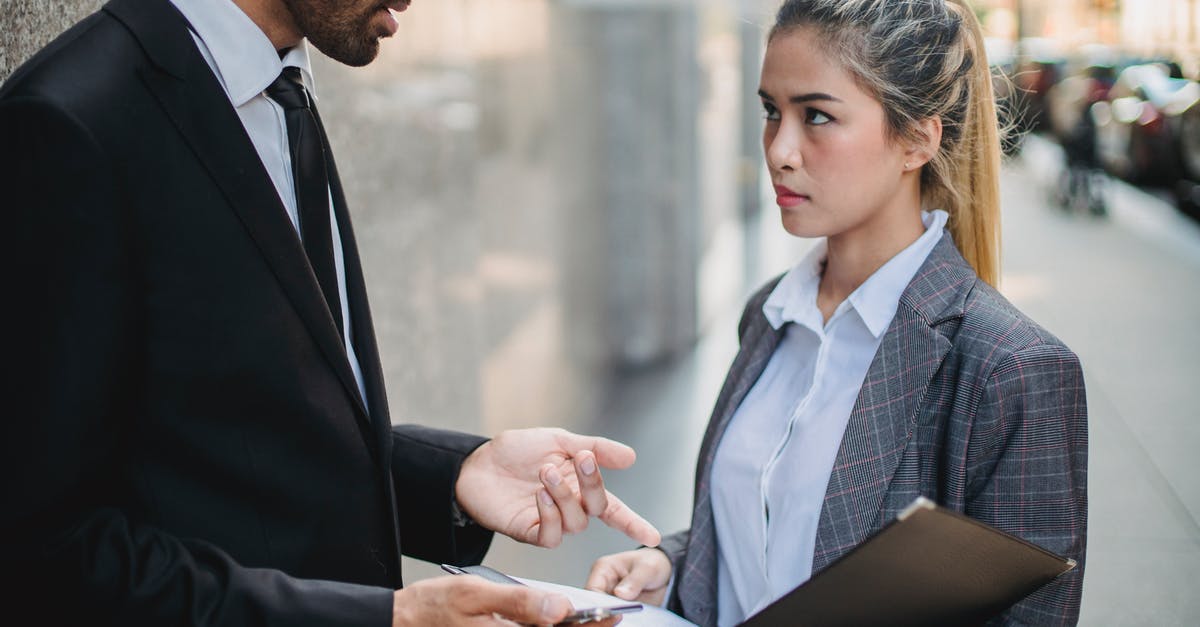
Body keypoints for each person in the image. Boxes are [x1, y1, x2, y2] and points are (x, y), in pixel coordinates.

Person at [0, 0, 660, 625]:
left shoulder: (282, 88)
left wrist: (453, 475)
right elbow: (48, 554)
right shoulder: (68, 124)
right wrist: (378, 617)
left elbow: (236, 442)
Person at [586, 1, 1088, 625]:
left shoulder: (1011, 369)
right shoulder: (769, 315)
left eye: (817, 115)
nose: (779, 150)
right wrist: (675, 565)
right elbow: (774, 533)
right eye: (772, 111)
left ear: (916, 140)